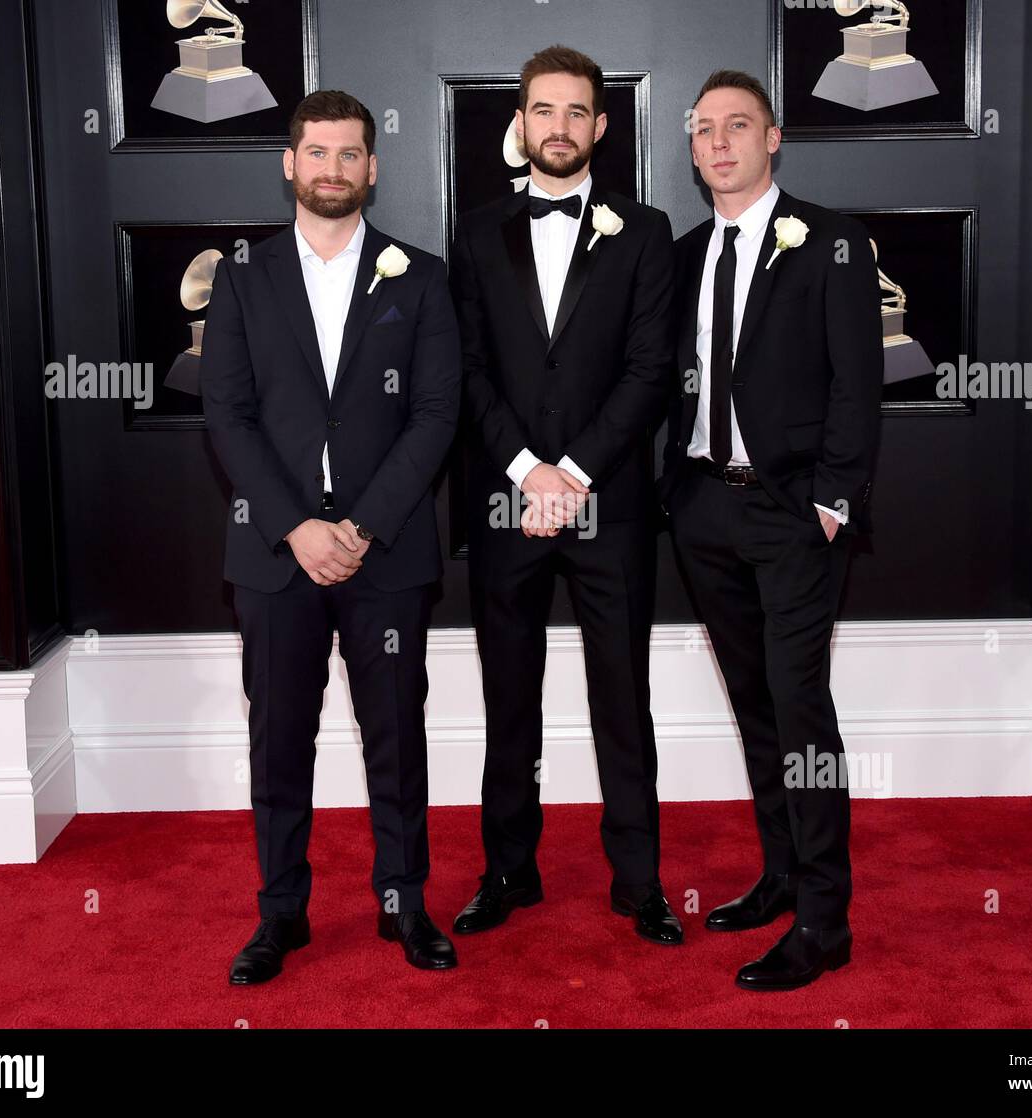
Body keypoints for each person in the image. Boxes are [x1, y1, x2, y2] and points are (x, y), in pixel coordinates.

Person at [200, 90, 462, 983]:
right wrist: (299, 528)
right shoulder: (241, 277)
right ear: (290, 162)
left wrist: (355, 526)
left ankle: (404, 905)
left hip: (384, 553)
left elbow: (435, 416)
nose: (333, 171)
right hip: (274, 559)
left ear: (374, 168)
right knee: (279, 743)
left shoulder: (419, 277)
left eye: (350, 155)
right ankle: (282, 916)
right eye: (317, 154)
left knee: (397, 735)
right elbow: (227, 417)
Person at [449, 45, 681, 945]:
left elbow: (649, 371)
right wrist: (526, 473)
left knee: (624, 698)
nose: (560, 127)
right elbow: (466, 370)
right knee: (510, 699)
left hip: (609, 503)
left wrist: (573, 473)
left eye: (577, 112)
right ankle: (508, 871)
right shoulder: (474, 233)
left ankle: (640, 882)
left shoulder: (648, 231)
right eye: (544, 110)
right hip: (508, 505)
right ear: (522, 121)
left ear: (600, 126)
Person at [661, 70, 883, 990]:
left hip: (794, 517)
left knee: (801, 716)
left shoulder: (831, 241)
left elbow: (857, 385)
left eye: (737, 126)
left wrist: (832, 502)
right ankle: (781, 876)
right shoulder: (680, 257)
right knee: (755, 707)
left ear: (774, 137)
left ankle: (826, 922)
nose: (719, 143)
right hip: (705, 509)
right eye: (704, 129)